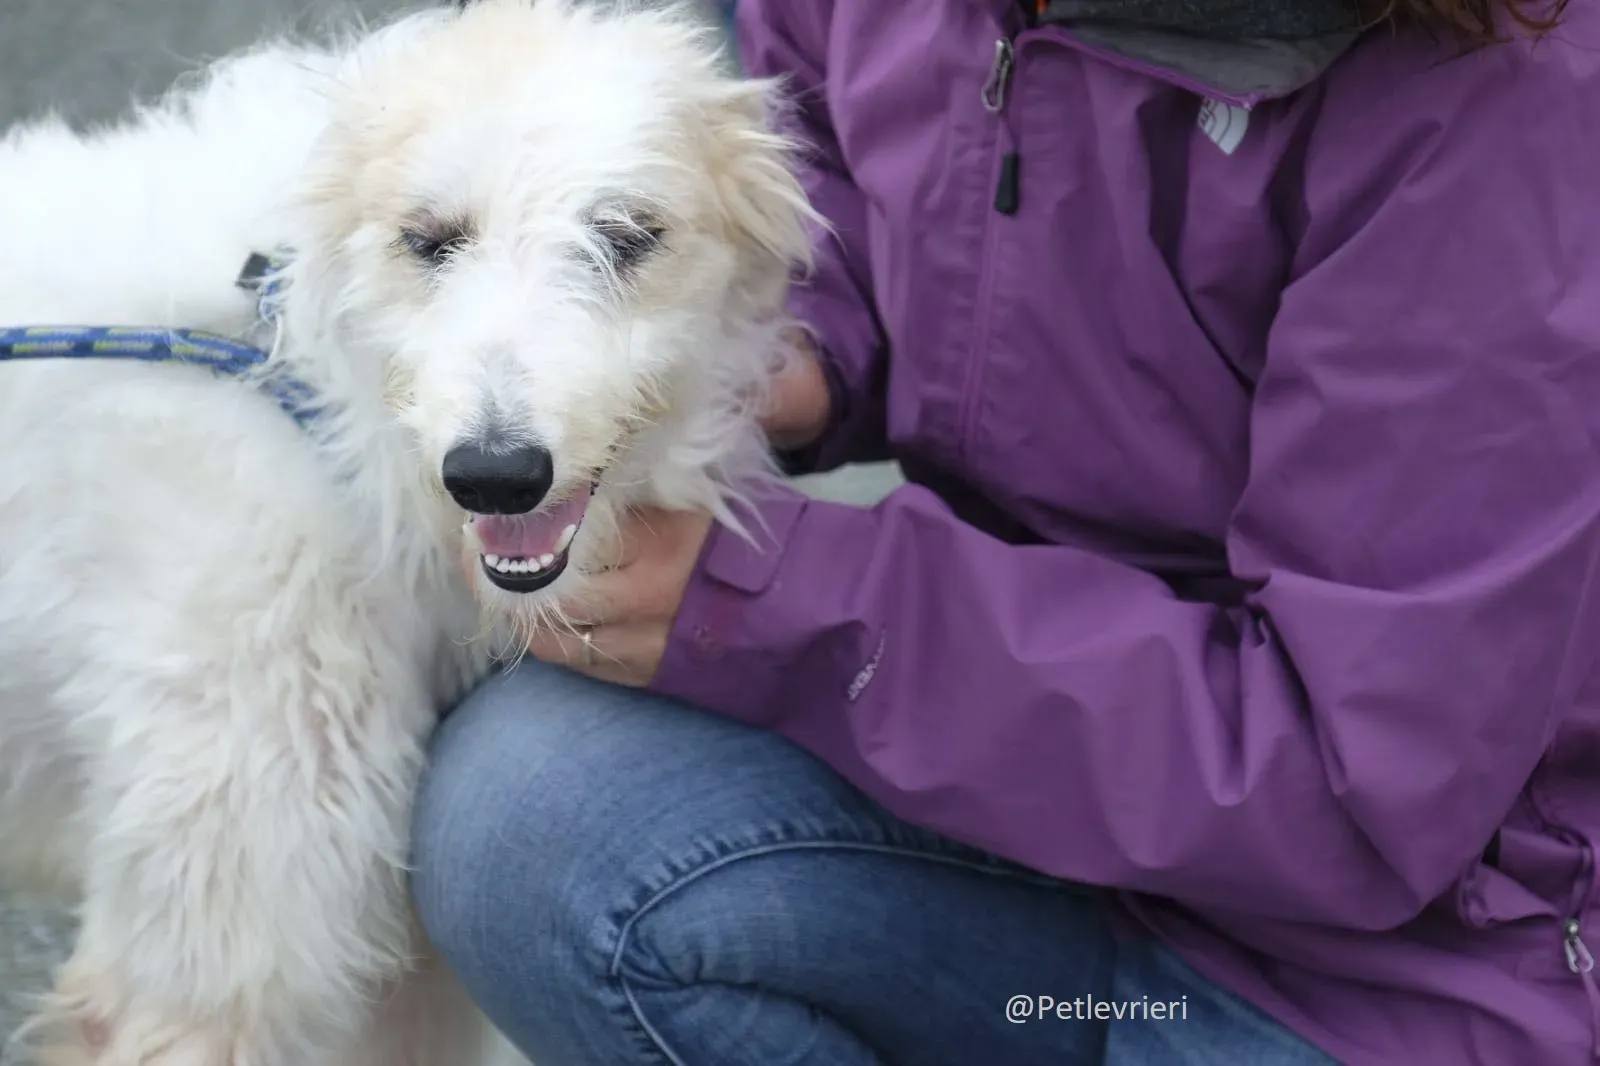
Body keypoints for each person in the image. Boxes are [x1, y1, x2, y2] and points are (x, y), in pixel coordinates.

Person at [409, 1, 1600, 1063]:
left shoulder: (1506, 105)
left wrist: (772, 602)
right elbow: (834, 192)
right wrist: (771, 354)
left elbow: (1354, 786)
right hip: (1021, 816)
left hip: (1387, 975)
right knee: (531, 822)